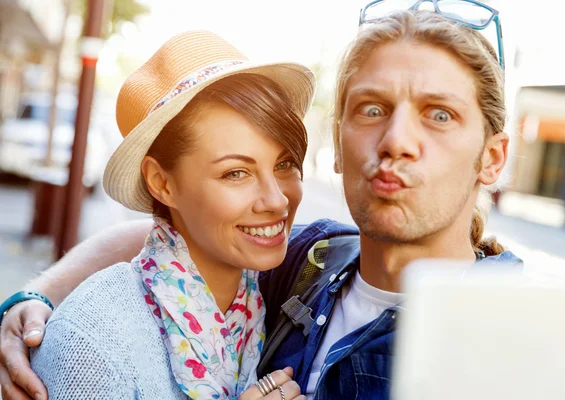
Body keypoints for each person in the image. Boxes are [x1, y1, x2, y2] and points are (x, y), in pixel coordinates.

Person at [0, 4, 523, 400]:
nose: (396, 140)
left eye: (439, 115)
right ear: (338, 145)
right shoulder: (309, 264)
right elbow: (175, 239)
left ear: (493, 158)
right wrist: (34, 301)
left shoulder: (522, 342)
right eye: (371, 108)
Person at [0, 30, 316, 400]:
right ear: (161, 183)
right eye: (236, 173)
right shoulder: (91, 342)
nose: (277, 200)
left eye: (285, 163)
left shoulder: (257, 298)